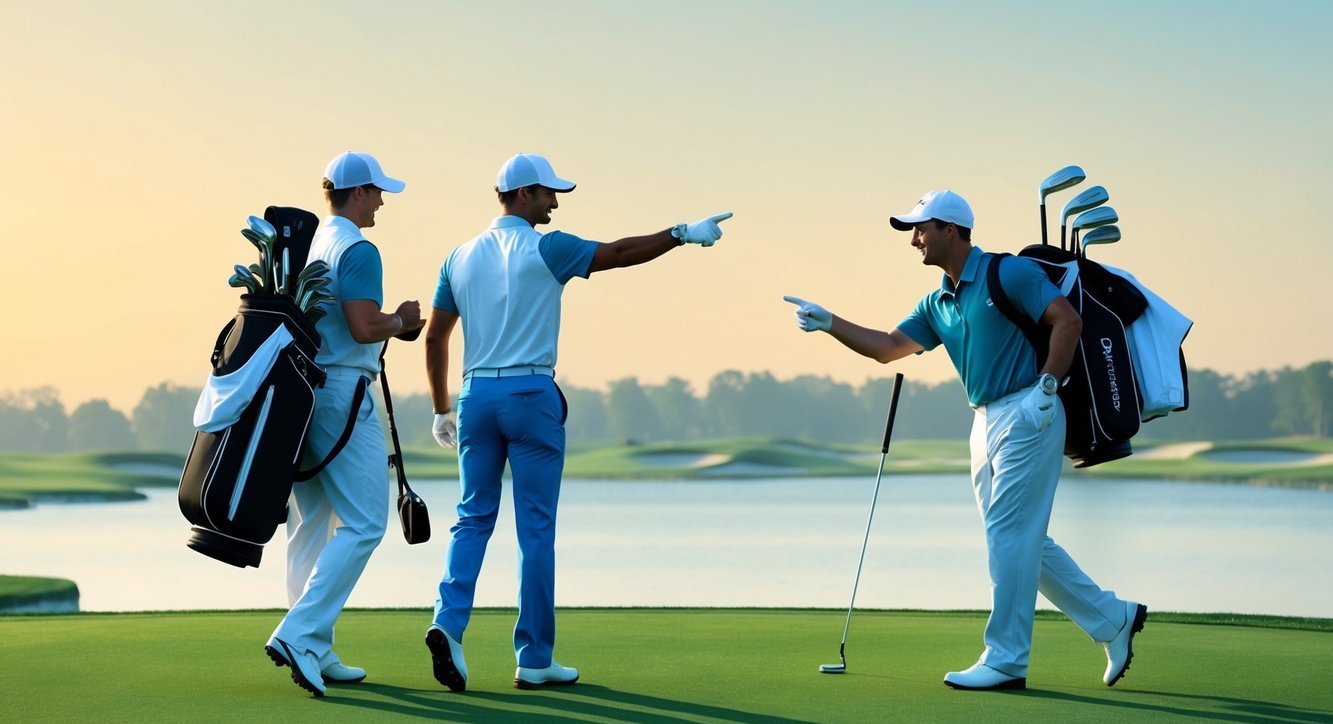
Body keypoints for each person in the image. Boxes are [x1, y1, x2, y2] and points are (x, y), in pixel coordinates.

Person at [783, 189, 1146, 691]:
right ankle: (1112, 618)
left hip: (1030, 408)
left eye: (921, 229)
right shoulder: (938, 302)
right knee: (1020, 540)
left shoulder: (1008, 273)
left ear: (950, 229)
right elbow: (889, 348)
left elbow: (1068, 320)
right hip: (983, 421)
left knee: (1009, 536)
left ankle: (1006, 658)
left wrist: (1047, 387)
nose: (914, 240)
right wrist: (829, 324)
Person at [423, 153, 731, 691]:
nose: (555, 202)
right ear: (523, 195)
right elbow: (619, 252)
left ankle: (447, 624)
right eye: (547, 193)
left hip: (475, 396)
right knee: (535, 530)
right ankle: (535, 658)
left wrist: (441, 408)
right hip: (531, 392)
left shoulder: (459, 256)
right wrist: (680, 233)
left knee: (472, 518)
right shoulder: (549, 246)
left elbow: (434, 337)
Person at [264, 151, 426, 697]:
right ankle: (299, 634)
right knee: (364, 524)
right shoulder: (358, 248)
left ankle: (316, 644)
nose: (381, 201)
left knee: (312, 522)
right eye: (377, 192)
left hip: (304, 394)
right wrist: (403, 321)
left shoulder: (311, 245)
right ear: (357, 193)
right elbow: (362, 327)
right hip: (342, 395)